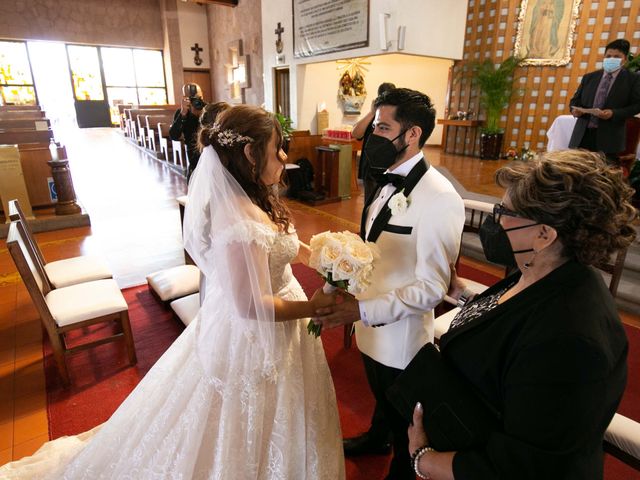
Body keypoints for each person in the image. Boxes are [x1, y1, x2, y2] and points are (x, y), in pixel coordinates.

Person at [0, 105, 345, 479]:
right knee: (246, 416)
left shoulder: (258, 196)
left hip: (281, 318)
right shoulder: (243, 220)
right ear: (249, 153)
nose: (283, 156)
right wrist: (312, 307)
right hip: (259, 330)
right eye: (277, 147)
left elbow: (283, 247)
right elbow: (251, 305)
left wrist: (328, 257)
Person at [407, 150, 636, 480]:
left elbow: (521, 468)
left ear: (545, 234)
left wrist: (422, 458)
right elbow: (508, 317)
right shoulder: (542, 269)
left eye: (505, 211)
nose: (496, 220)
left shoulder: (569, 340)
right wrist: (463, 295)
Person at [314, 88, 465, 479]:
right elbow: (369, 250)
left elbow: (433, 287)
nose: (373, 135)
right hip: (369, 325)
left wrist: (361, 309)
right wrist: (335, 286)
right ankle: (376, 436)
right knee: (379, 397)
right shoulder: (384, 183)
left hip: (401, 339)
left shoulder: (439, 197)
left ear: (412, 134)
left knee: (403, 421)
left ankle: (398, 462)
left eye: (383, 127)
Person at [569, 39, 640, 162]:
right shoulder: (589, 77)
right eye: (608, 56)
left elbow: (637, 106)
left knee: (601, 177)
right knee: (577, 173)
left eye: (616, 56)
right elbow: (574, 101)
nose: (611, 59)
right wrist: (574, 110)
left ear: (625, 59)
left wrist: (614, 113)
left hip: (609, 137)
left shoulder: (633, 79)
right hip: (583, 135)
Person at [352, 82, 396, 201]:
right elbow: (355, 133)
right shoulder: (373, 115)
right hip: (371, 166)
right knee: (370, 202)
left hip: (389, 166)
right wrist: (372, 112)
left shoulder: (397, 117)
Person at [170, 83, 207, 180]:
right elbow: (174, 135)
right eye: (192, 98)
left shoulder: (208, 109)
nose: (196, 101)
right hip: (193, 156)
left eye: (198, 97)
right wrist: (183, 114)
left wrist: (203, 112)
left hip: (208, 154)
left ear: (202, 95)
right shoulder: (182, 112)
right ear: (184, 98)